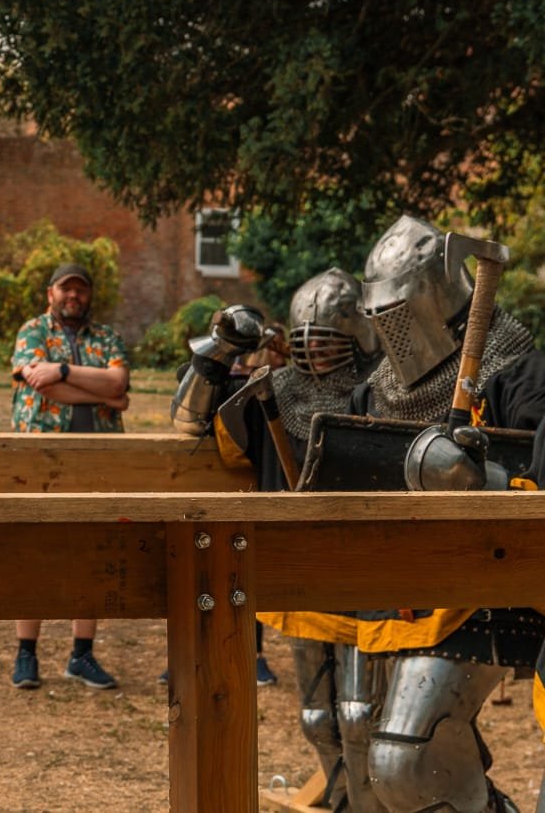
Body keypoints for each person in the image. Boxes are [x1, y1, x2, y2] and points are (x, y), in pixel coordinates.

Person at [346, 216, 545, 813]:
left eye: (397, 310)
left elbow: (535, 485)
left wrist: (475, 475)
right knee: (358, 740)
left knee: (406, 759)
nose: (389, 326)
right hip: (393, 583)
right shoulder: (374, 388)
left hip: (484, 588)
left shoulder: (516, 371)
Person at [171, 269, 382, 808]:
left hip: (366, 580)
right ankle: (341, 796)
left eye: (329, 341)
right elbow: (188, 421)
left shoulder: (384, 394)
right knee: (317, 718)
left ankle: (366, 801)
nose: (315, 351)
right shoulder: (277, 391)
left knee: (362, 716)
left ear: (359, 339)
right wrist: (220, 347)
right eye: (307, 339)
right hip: (299, 574)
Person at [8, 263, 130, 691]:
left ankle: (82, 654)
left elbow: (119, 381)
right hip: (42, 456)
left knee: (92, 551)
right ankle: (27, 653)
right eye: (66, 289)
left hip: (98, 456)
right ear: (51, 293)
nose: (73, 296)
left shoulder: (107, 337)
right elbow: (40, 385)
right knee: (35, 550)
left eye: (80, 290)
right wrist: (104, 394)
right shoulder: (33, 332)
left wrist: (60, 371)